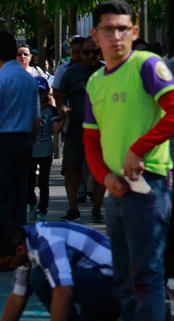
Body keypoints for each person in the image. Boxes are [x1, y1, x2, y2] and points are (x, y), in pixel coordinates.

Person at [82, 0, 174, 321]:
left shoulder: (148, 65)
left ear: (134, 32)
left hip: (149, 185)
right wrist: (104, 177)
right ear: (96, 34)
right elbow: (90, 139)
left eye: (123, 29)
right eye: (108, 29)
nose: (116, 36)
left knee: (145, 273)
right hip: (118, 190)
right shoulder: (95, 81)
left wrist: (139, 148)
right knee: (123, 274)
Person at [0, 31, 40, 231]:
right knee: (18, 198)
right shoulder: (29, 79)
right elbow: (36, 119)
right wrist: (28, 142)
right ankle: (18, 248)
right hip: (23, 142)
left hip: (3, 143)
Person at [58, 38, 106, 223]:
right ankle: (72, 208)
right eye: (86, 52)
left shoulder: (108, 72)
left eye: (95, 52)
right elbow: (61, 97)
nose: (90, 56)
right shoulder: (71, 73)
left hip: (102, 131)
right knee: (71, 170)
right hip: (76, 130)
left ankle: (96, 208)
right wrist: (62, 109)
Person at [27, 77, 59, 223]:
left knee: (44, 182)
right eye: (35, 92)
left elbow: (57, 129)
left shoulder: (51, 110)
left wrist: (63, 117)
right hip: (30, 151)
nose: (38, 95)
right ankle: (31, 203)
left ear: (46, 93)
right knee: (29, 181)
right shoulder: (27, 108)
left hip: (46, 150)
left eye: (41, 92)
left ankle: (43, 210)